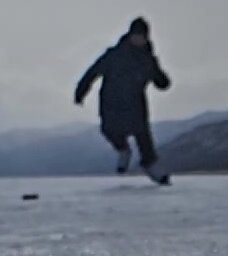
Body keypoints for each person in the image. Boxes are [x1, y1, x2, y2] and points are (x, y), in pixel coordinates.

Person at [74, 17, 173, 184]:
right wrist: (81, 91)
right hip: (111, 104)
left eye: (142, 36)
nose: (139, 39)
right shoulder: (114, 55)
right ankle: (123, 150)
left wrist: (162, 80)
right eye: (136, 35)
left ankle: (153, 167)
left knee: (143, 137)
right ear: (130, 35)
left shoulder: (147, 59)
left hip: (136, 106)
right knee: (110, 130)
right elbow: (93, 72)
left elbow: (160, 81)